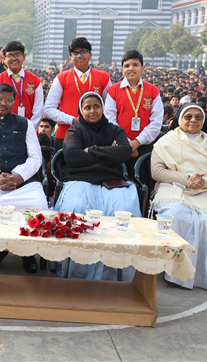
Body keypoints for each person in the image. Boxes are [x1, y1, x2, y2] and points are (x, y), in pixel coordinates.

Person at [56, 92, 140, 281]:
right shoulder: (75, 130)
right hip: (80, 178)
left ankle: (117, 270)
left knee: (123, 209)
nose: (92, 111)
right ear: (81, 111)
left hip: (111, 179)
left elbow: (125, 152)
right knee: (78, 206)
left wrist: (92, 149)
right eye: (87, 107)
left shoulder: (115, 129)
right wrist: (110, 153)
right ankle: (78, 269)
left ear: (103, 108)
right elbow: (72, 157)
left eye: (96, 106)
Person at [151, 103, 207, 289]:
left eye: (198, 117)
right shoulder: (166, 141)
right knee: (179, 215)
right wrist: (186, 180)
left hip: (206, 190)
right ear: (179, 119)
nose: (193, 120)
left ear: (203, 121)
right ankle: (176, 275)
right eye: (188, 116)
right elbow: (157, 171)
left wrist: (203, 182)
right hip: (175, 188)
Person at [0, 83, 49, 272]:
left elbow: (36, 157)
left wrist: (19, 176)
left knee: (38, 204)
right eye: (0, 99)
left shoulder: (25, 124)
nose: (3, 103)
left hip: (23, 182)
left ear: (14, 103)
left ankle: (27, 252)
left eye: (8, 100)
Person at [44, 37, 111, 151]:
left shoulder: (103, 77)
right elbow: (48, 109)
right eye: (75, 53)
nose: (79, 56)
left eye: (83, 52)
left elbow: (110, 108)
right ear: (70, 58)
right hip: (66, 135)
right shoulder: (61, 78)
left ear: (90, 55)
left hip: (96, 135)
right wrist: (72, 120)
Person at [104, 50, 163, 176]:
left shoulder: (153, 91)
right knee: (119, 181)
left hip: (144, 147)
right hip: (119, 145)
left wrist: (137, 142)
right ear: (122, 70)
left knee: (143, 181)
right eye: (127, 66)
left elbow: (156, 122)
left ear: (143, 68)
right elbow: (109, 120)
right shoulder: (113, 91)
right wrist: (126, 143)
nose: (131, 68)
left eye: (135, 65)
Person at [0, 41, 43, 131]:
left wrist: (28, 130)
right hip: (2, 132)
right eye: (10, 55)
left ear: (24, 57)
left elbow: (38, 110)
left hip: (29, 132)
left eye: (18, 55)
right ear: (4, 58)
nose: (14, 59)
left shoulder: (35, 80)